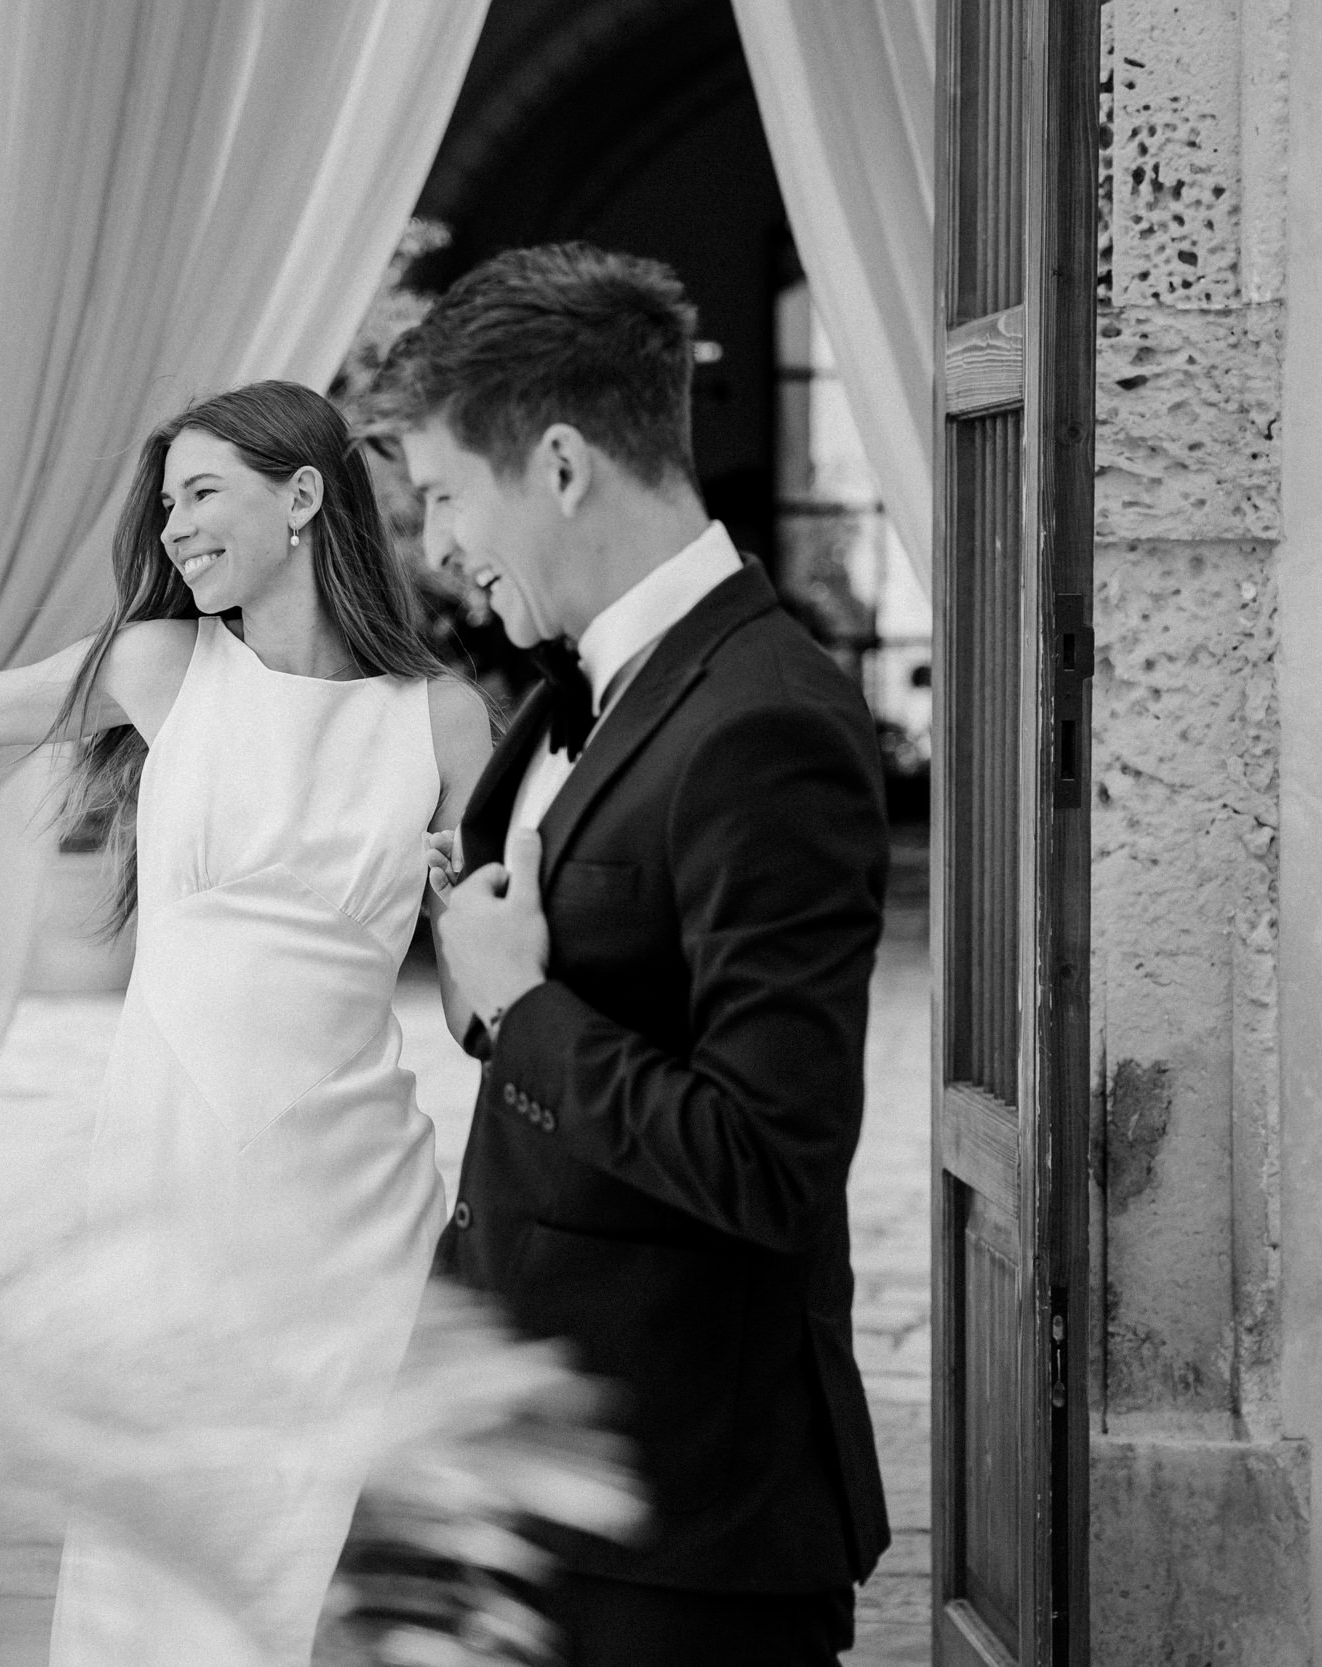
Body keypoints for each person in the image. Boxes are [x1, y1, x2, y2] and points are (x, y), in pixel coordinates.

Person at [0, 379, 494, 1666]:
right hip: (176, 1155)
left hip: (354, 1183)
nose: (171, 527)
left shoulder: (442, 719)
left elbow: (474, 1006)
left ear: (302, 495)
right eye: (164, 503)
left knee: (321, 1522)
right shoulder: (163, 667)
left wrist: (475, 924)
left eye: (202, 492)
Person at [373, 244, 892, 1667]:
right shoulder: (571, 699)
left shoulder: (764, 727)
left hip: (685, 1526)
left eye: (441, 496)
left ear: (556, 464)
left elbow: (769, 1156)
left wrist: (519, 1002)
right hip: (541, 1464)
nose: (435, 549)